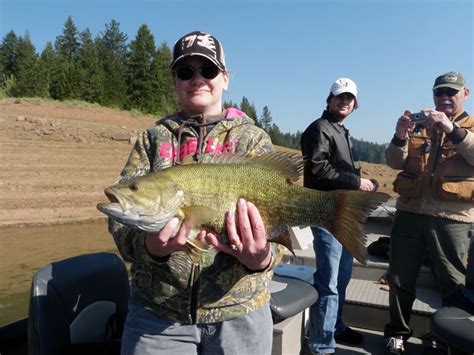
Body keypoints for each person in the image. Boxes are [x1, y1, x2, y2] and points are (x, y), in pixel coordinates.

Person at [108, 31, 283, 355]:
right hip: (157, 318)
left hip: (240, 314)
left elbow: (281, 225)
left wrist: (261, 259)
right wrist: (150, 246)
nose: (197, 78)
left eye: (208, 70)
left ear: (225, 78)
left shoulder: (254, 140)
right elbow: (121, 226)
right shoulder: (152, 140)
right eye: (186, 72)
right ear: (174, 80)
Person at [383, 71, 474, 354]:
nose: (444, 98)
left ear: (465, 94)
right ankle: (397, 333)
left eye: (451, 92)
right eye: (439, 93)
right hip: (410, 212)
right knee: (399, 277)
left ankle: (451, 339)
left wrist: (451, 129)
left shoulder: (469, 126)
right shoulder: (421, 126)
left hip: (452, 218)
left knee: (453, 282)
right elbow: (394, 162)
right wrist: (399, 136)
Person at [301, 78, 377, 354]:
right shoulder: (319, 129)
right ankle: (321, 345)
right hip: (326, 215)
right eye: (339, 97)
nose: (344, 101)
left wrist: (361, 181)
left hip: (344, 215)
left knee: (342, 277)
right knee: (329, 282)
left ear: (355, 104)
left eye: (349, 98)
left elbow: (342, 170)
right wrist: (357, 183)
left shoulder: (341, 131)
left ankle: (335, 327)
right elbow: (320, 170)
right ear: (329, 100)